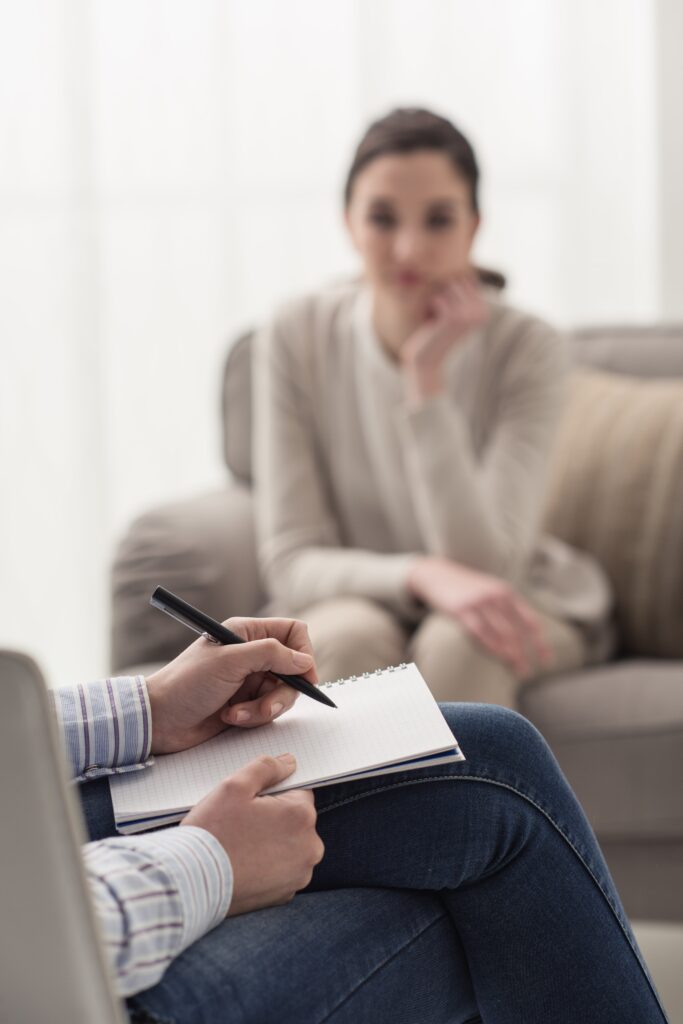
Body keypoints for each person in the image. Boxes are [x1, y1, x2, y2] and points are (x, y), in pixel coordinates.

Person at [55, 619, 667, 1023]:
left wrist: (149, 711)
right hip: (58, 967)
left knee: (487, 753)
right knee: (462, 869)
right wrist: (209, 861)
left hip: (29, 830)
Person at [253, 107, 613, 706]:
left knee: (462, 641)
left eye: (438, 220)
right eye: (382, 218)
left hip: (513, 596)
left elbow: (484, 566)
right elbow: (291, 562)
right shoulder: (295, 335)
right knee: (339, 637)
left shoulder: (529, 348)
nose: (408, 248)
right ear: (348, 223)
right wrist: (419, 575)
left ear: (474, 228)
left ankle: (466, 807)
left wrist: (427, 382)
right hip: (360, 598)